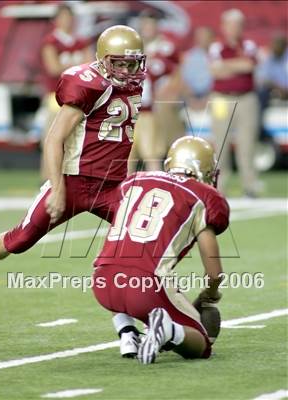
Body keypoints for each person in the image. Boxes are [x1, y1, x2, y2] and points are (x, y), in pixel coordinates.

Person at [0, 25, 146, 357]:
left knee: (142, 248)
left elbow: (122, 137)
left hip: (113, 186)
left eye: (132, 64)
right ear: (103, 60)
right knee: (20, 240)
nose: (127, 71)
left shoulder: (135, 84)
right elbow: (54, 138)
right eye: (119, 63)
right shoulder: (87, 83)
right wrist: (58, 189)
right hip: (74, 182)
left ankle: (147, 324)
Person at [92, 136, 230, 364]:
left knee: (118, 260)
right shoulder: (201, 197)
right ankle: (167, 329)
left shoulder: (133, 181)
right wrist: (209, 296)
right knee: (202, 344)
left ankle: (127, 332)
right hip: (144, 289)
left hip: (102, 283)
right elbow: (214, 272)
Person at [31, 4, 94, 181]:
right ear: (56, 20)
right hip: (56, 96)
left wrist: (70, 66)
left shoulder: (81, 41)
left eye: (69, 17)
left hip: (78, 98)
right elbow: (53, 68)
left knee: (75, 140)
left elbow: (90, 65)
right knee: (52, 139)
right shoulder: (50, 41)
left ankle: (70, 178)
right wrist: (77, 66)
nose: (66, 21)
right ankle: (48, 179)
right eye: (63, 17)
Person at [209, 9, 260, 197]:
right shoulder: (216, 47)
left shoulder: (248, 44)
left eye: (237, 25)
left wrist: (227, 65)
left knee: (247, 143)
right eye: (230, 24)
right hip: (222, 98)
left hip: (246, 97)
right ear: (224, 26)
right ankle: (220, 187)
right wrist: (238, 65)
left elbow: (249, 65)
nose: (234, 29)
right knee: (221, 143)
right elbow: (215, 71)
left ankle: (250, 186)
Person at [128, 10, 183, 173]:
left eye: (151, 24)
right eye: (145, 24)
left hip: (150, 110)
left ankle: (157, 188)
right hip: (129, 109)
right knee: (126, 156)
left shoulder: (167, 47)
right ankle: (121, 194)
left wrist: (170, 91)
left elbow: (178, 73)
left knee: (152, 154)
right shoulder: (132, 47)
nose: (148, 28)